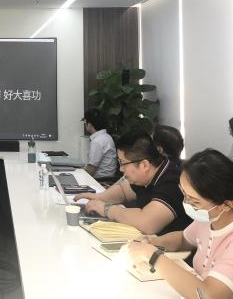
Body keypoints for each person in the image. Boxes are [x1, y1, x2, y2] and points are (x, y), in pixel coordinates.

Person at [127, 149, 233, 299]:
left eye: (194, 201)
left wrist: (153, 256)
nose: (187, 203)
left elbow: (208, 295)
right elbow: (184, 239)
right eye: (184, 194)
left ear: (226, 205)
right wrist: (154, 242)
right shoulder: (208, 217)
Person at [74, 128, 191, 235]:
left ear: (144, 165)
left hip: (171, 249)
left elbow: (147, 222)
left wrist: (106, 209)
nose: (121, 169)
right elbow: (123, 190)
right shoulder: (146, 175)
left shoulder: (173, 181)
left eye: (122, 163)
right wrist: (99, 198)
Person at [82, 108, 117, 179]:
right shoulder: (106, 137)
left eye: (85, 122)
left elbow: (91, 169)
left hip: (100, 180)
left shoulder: (97, 141)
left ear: (90, 125)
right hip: (108, 178)